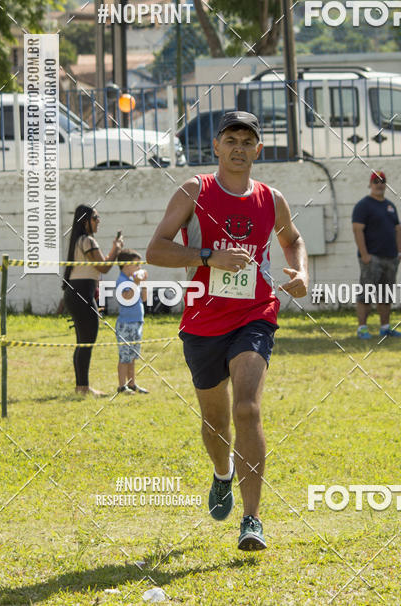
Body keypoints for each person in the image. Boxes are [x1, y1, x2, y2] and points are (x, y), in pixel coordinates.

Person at [146, 110, 308, 552]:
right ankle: (222, 474)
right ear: (216, 146)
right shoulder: (194, 192)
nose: (239, 147)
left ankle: (252, 519)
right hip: (202, 322)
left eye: (247, 141)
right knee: (215, 422)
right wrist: (206, 256)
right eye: (230, 139)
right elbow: (156, 250)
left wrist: (302, 272)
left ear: (259, 149)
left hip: (255, 314)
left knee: (248, 409)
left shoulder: (271, 198)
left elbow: (292, 239)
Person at [62, 205, 123, 395]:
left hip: (77, 292)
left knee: (84, 341)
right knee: (87, 341)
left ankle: (82, 386)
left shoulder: (80, 241)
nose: (99, 221)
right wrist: (116, 249)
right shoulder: (87, 241)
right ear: (85, 221)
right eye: (96, 217)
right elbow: (103, 267)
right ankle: (83, 387)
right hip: (82, 292)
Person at [352, 170, 401, 340]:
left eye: (382, 181)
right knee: (366, 294)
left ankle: (385, 328)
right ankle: (362, 328)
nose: (379, 184)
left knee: (386, 294)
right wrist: (364, 254)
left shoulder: (390, 206)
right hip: (372, 257)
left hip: (390, 257)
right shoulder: (363, 205)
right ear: (370, 184)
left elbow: (397, 230)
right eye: (376, 181)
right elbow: (357, 230)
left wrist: (399, 252)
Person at [113, 250, 149, 394]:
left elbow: (144, 299)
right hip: (125, 324)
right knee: (124, 357)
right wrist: (135, 283)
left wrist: (143, 283)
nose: (139, 268)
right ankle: (122, 386)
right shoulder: (122, 281)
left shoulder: (133, 281)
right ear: (126, 265)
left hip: (137, 322)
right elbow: (126, 297)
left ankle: (132, 384)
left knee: (133, 356)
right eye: (136, 265)